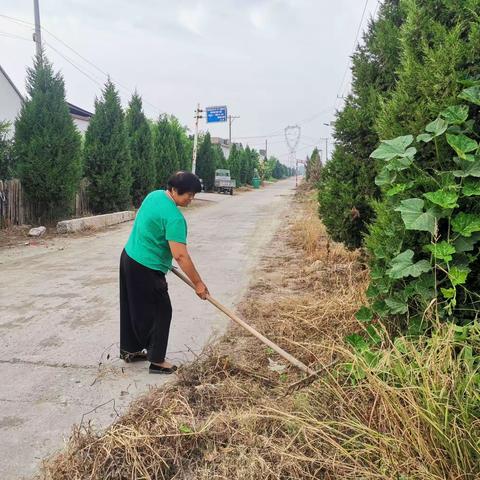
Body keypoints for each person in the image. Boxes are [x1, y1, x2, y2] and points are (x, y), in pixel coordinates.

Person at [119, 171, 209, 374]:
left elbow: (149, 226)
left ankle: (130, 351)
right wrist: (198, 284)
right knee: (162, 312)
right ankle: (157, 361)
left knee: (131, 307)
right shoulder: (175, 218)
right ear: (175, 190)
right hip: (146, 268)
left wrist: (161, 252)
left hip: (128, 258)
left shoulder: (155, 196)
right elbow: (181, 256)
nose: (191, 199)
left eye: (194, 194)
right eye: (188, 194)